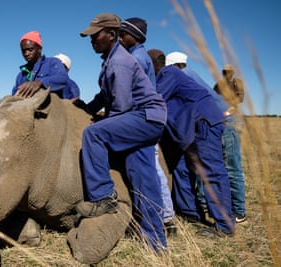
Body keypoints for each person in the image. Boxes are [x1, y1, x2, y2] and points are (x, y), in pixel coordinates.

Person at [75, 13, 168, 251]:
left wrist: (100, 123)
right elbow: (104, 96)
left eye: (96, 35)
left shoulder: (119, 62)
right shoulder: (111, 59)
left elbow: (122, 108)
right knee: (143, 180)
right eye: (91, 36)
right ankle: (156, 244)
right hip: (147, 119)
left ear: (112, 35)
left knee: (93, 134)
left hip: (144, 117)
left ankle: (103, 197)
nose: (92, 40)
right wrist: (87, 108)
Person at [148, 49, 236, 237]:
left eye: (146, 64)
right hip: (188, 129)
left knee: (212, 172)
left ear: (154, 64)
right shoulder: (165, 77)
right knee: (180, 167)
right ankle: (190, 213)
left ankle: (225, 226)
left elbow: (153, 99)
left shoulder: (169, 73)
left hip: (202, 123)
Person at [119, 17, 176, 236]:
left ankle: (164, 218)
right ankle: (161, 217)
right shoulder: (137, 56)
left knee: (150, 169)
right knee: (150, 168)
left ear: (134, 36)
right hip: (144, 116)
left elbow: (132, 93)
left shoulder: (136, 58)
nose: (121, 38)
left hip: (143, 118)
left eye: (123, 34)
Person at [213, 64, 247, 223]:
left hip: (231, 118)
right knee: (224, 164)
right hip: (222, 119)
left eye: (229, 71)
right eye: (225, 71)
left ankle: (239, 211)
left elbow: (239, 99)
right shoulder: (218, 84)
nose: (227, 74)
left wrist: (226, 110)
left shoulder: (236, 82)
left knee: (233, 166)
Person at [12, 31, 73, 99]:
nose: (26, 54)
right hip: (27, 108)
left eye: (30, 49)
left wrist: (40, 82)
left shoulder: (52, 62)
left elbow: (63, 77)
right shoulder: (21, 75)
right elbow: (14, 95)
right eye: (23, 51)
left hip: (53, 107)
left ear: (39, 49)